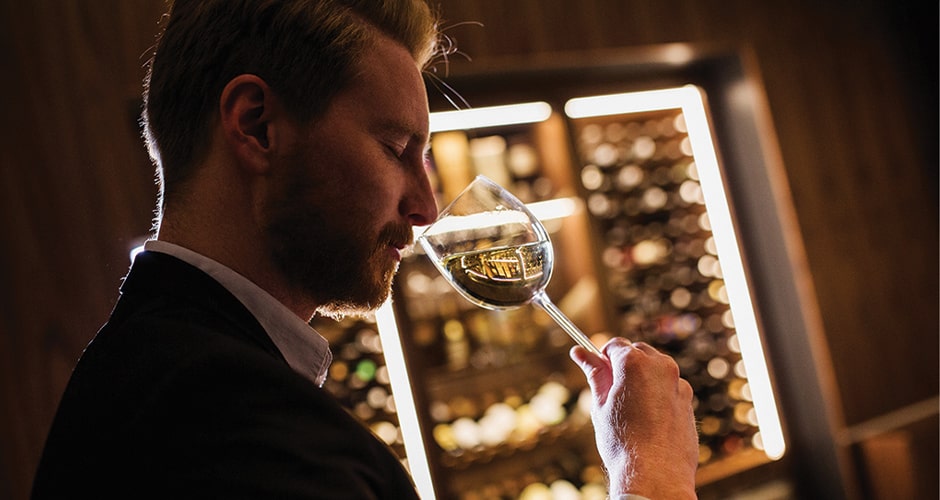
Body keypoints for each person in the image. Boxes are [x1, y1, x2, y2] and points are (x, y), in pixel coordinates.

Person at [31, 0, 698, 498]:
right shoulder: (233, 425)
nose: (427, 207)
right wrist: (652, 473)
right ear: (256, 126)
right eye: (396, 149)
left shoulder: (154, 367)